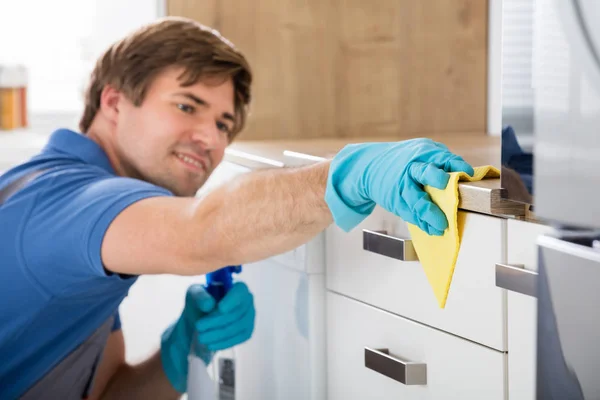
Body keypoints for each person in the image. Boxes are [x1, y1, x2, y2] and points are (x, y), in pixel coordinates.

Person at [0, 16, 474, 400]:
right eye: (187, 106)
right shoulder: (65, 203)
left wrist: (179, 352)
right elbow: (202, 233)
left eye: (224, 124)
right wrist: (346, 176)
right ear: (114, 103)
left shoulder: (59, 201)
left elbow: (106, 395)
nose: (211, 138)